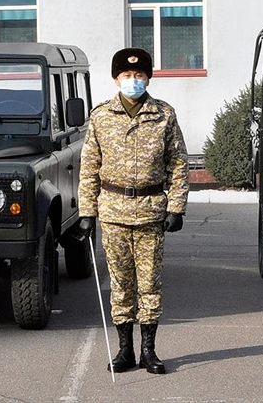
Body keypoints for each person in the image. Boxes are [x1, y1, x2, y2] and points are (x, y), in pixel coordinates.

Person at [77, 47, 189, 375]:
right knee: (121, 284)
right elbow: (89, 166)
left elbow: (178, 162)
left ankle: (149, 351)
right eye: (126, 76)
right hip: (113, 212)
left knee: (150, 284)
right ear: (116, 79)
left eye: (139, 75)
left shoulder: (164, 115)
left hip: (151, 211)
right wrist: (87, 212)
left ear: (148, 77)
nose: (133, 80)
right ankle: (125, 350)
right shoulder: (100, 116)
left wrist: (177, 206)